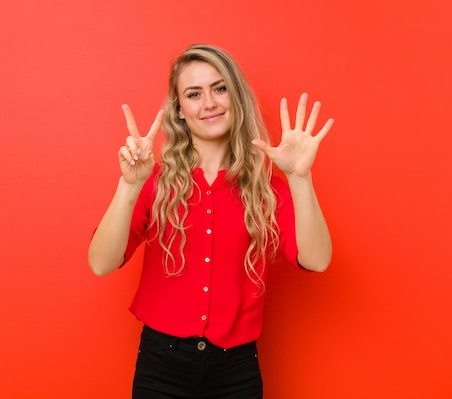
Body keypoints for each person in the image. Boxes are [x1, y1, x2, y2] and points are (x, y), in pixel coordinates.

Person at [88, 44, 333, 399]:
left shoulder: (267, 188)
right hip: (161, 367)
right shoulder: (154, 182)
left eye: (219, 88)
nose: (209, 103)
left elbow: (318, 259)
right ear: (180, 110)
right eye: (193, 94)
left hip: (236, 372)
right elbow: (100, 263)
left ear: (235, 97)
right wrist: (129, 185)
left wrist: (299, 178)